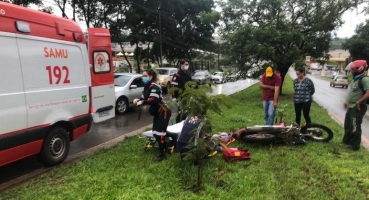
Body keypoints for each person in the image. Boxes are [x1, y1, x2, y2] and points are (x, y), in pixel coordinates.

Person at [133, 69, 172, 161]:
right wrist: (137, 100)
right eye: (142, 76)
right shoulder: (146, 87)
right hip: (157, 113)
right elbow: (143, 98)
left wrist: (143, 101)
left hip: (163, 111)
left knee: (159, 133)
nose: (143, 78)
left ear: (150, 76)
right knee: (155, 132)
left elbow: (153, 99)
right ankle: (170, 141)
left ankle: (162, 154)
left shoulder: (154, 86)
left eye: (145, 76)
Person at [342, 61, 369, 151]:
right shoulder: (355, 79)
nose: (352, 70)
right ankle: (346, 142)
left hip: (357, 108)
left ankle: (355, 146)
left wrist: (359, 102)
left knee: (354, 127)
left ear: (359, 69)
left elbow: (368, 92)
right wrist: (346, 101)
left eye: (353, 69)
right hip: (351, 106)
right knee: (348, 125)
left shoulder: (364, 79)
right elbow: (352, 92)